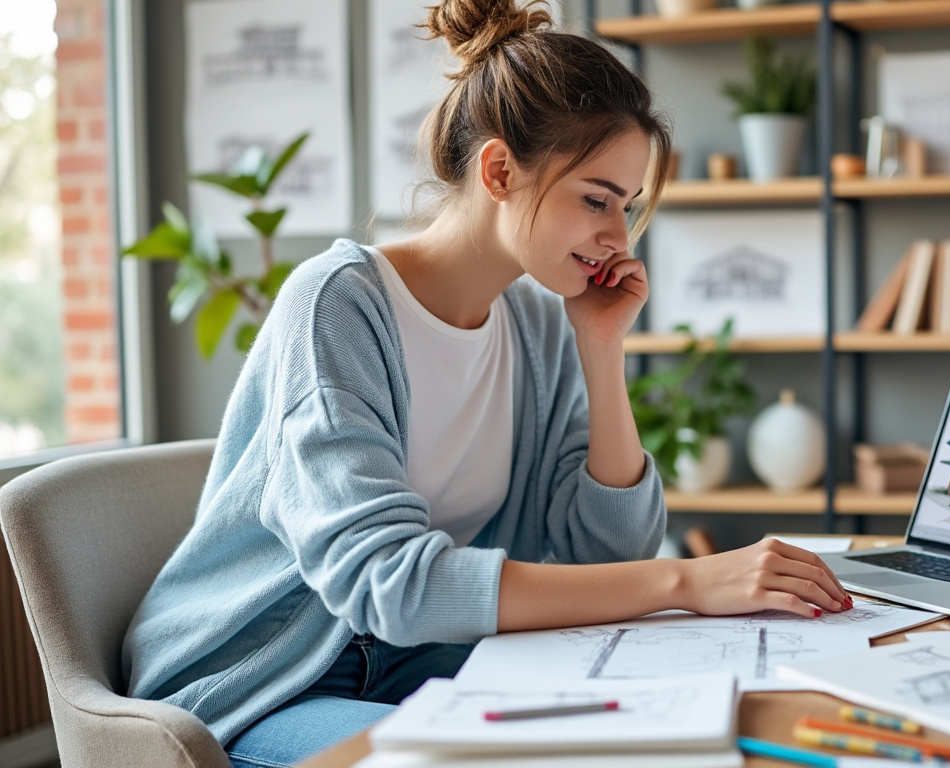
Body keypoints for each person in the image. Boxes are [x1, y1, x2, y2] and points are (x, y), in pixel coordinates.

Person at [122, 1, 851, 765]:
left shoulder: (537, 324)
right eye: (595, 199)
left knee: (640, 732)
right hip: (259, 683)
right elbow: (393, 583)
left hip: (415, 658)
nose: (618, 236)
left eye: (628, 208)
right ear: (499, 170)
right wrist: (683, 580)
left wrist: (601, 351)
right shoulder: (336, 304)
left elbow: (601, 553)